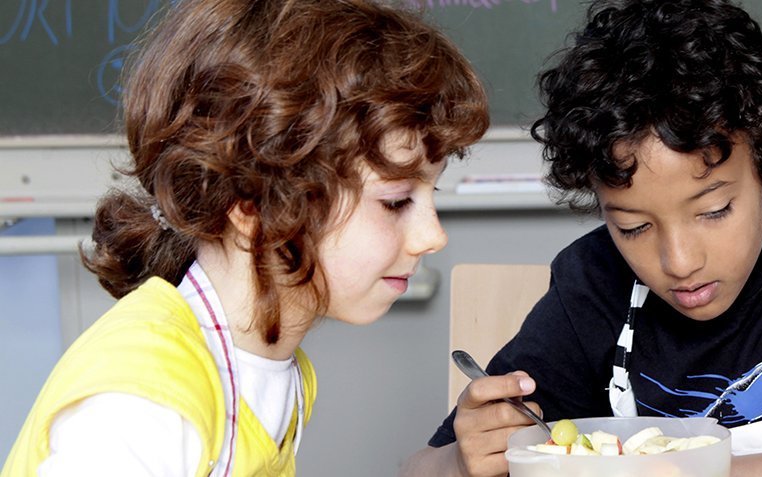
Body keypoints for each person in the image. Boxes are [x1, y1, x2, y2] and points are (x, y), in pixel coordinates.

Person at [402, 0, 762, 475]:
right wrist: (461, 460)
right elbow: (416, 470)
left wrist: (669, 471)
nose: (679, 262)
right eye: (632, 226)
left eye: (713, 211)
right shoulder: (594, 283)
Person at [1, 0, 488, 475]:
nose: (433, 236)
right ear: (251, 204)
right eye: (396, 201)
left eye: (432, 193)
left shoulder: (275, 365)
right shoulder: (142, 402)